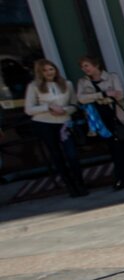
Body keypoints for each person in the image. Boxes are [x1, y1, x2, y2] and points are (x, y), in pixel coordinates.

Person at [24, 59, 87, 197]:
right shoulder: (34, 86)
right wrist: (48, 107)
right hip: (44, 123)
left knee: (72, 154)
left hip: (64, 123)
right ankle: (70, 186)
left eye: (51, 69)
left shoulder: (67, 84)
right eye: (45, 70)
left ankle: (80, 183)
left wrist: (65, 110)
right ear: (40, 72)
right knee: (56, 155)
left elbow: (74, 104)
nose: (48, 72)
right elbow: (29, 109)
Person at [76, 55, 124, 190]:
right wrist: (102, 95)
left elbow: (119, 95)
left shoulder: (112, 77)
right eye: (82, 67)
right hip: (99, 119)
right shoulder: (83, 82)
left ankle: (123, 177)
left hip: (116, 116)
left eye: (87, 65)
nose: (85, 69)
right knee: (113, 149)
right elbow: (81, 99)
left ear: (96, 65)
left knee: (121, 148)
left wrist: (97, 98)